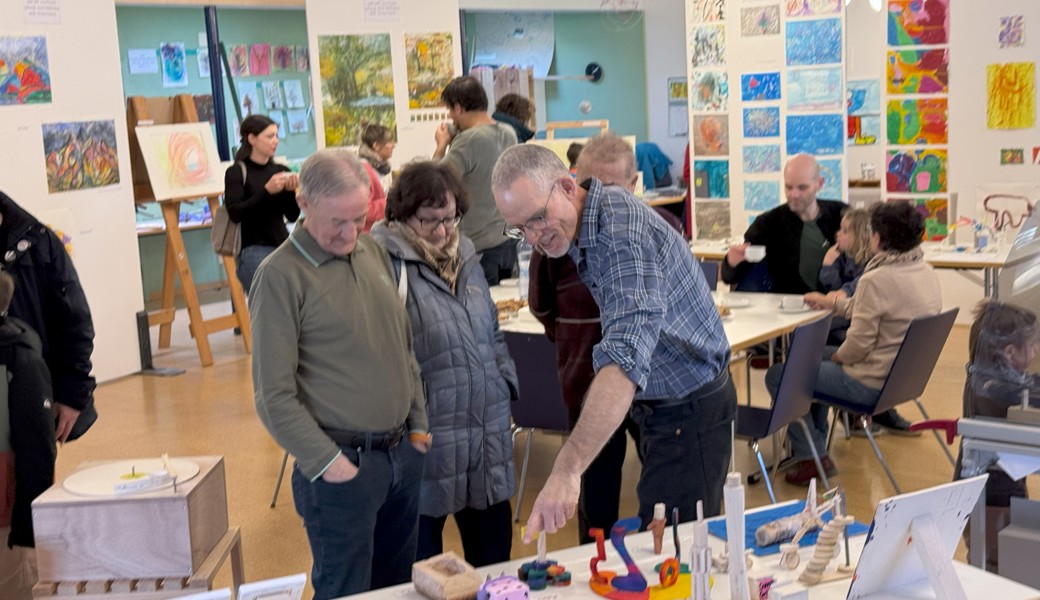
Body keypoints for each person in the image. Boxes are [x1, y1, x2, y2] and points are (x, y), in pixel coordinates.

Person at [493, 144, 735, 540]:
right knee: (659, 544)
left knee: (670, 550)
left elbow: (624, 356)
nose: (534, 237)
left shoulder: (621, 234)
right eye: (520, 228)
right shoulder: (589, 217)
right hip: (662, 401)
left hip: (690, 408)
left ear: (567, 187)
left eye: (537, 217)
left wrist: (567, 467)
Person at [250, 149, 429, 599]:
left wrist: (419, 426)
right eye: (337, 222)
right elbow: (273, 395)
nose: (350, 233)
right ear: (304, 204)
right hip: (343, 466)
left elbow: (401, 345)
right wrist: (329, 463)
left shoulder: (371, 250)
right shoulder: (279, 276)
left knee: (398, 588)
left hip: (401, 457)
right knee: (346, 590)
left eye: (359, 218)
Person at [529, 132, 683, 544]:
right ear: (573, 184)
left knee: (663, 492)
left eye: (613, 189)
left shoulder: (660, 226)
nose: (601, 200)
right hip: (586, 382)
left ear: (633, 185)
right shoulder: (555, 239)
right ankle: (595, 562)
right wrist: (575, 339)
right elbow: (542, 307)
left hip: (653, 388)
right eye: (590, 186)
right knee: (594, 494)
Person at [370, 161, 517, 567]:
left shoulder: (465, 254)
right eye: (428, 221)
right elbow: (378, 351)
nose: (441, 231)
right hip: (426, 438)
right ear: (401, 215)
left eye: (450, 218)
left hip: (485, 433)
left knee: (494, 564)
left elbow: (490, 327)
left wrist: (504, 382)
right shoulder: (382, 262)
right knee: (421, 568)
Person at [774, 201, 942, 485]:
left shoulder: (876, 279)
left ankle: (811, 456)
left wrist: (838, 357)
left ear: (877, 237)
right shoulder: (925, 271)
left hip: (868, 381)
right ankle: (815, 450)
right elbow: (873, 309)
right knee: (807, 361)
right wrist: (832, 303)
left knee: (782, 374)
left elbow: (856, 347)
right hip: (900, 379)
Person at [0, 191, 95, 444]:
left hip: (31, 401)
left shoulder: (38, 240)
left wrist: (72, 394)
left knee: (34, 466)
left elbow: (75, 322)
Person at [956, 301, 1039, 572]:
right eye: (1032, 346)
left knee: (1007, 553)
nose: (1036, 351)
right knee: (995, 559)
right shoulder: (990, 386)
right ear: (1009, 351)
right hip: (989, 490)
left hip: (1003, 482)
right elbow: (1024, 394)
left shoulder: (995, 375)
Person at [0, 270, 56, 600]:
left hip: (9, 516)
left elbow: (37, 450)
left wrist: (28, 525)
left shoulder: (18, 358)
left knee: (16, 582)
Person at [434, 76, 518, 286]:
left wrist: (441, 147)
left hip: (480, 248)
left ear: (458, 108)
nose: (450, 116)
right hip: (509, 242)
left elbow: (434, 184)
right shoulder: (509, 133)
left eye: (450, 110)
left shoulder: (467, 140)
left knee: (481, 305)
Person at [721, 153, 844, 294]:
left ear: (819, 184)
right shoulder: (768, 224)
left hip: (837, 303)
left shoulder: (841, 216)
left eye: (802, 187)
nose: (794, 194)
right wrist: (731, 263)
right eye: (789, 187)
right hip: (788, 304)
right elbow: (730, 276)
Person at [223, 115, 300, 293]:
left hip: (283, 245)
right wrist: (266, 191)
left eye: (277, 136)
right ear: (252, 138)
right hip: (254, 250)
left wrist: (290, 192)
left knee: (292, 301)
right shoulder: (236, 172)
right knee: (266, 303)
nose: (276, 141)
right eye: (270, 136)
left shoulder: (281, 170)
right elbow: (235, 213)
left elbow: (292, 216)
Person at [357, 123, 395, 231]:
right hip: (368, 234)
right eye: (389, 142)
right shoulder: (363, 171)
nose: (393, 145)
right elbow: (364, 210)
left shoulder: (381, 168)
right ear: (376, 146)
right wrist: (393, 202)